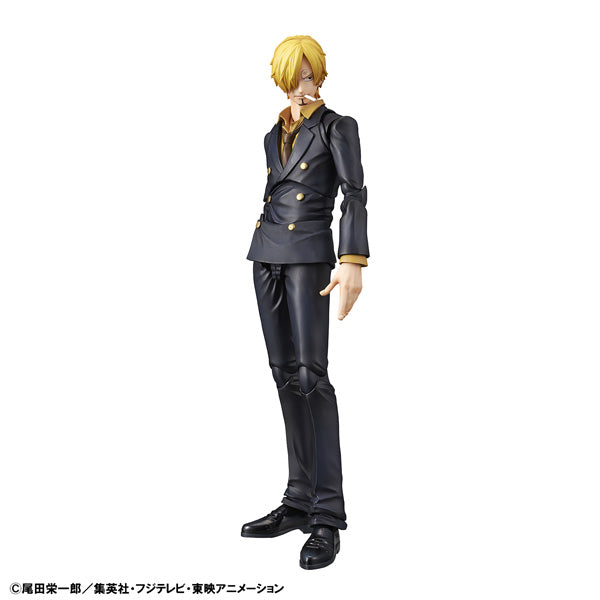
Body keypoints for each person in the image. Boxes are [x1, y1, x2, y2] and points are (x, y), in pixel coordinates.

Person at [242, 35, 369, 570]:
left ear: (320, 75)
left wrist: (352, 259)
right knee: (283, 375)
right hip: (266, 255)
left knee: (312, 376)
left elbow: (354, 193)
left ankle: (327, 514)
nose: (301, 85)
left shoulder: (338, 126)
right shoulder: (273, 133)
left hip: (310, 254)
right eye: (293, 76)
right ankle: (298, 500)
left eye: (309, 74)